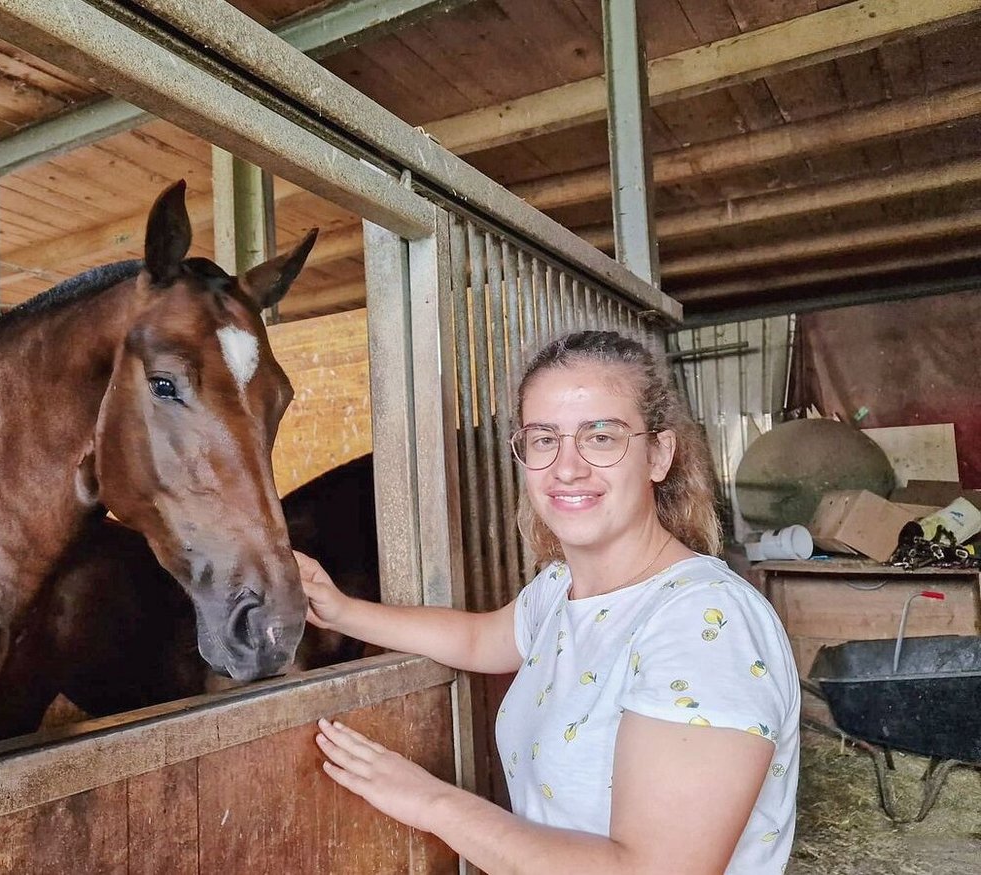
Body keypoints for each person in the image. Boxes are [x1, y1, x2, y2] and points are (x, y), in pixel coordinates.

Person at [296, 330, 799, 875]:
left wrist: (431, 802)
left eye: (600, 437)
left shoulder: (704, 625)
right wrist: (340, 609)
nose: (567, 467)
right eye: (543, 439)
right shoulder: (559, 589)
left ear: (658, 454)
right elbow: (477, 639)